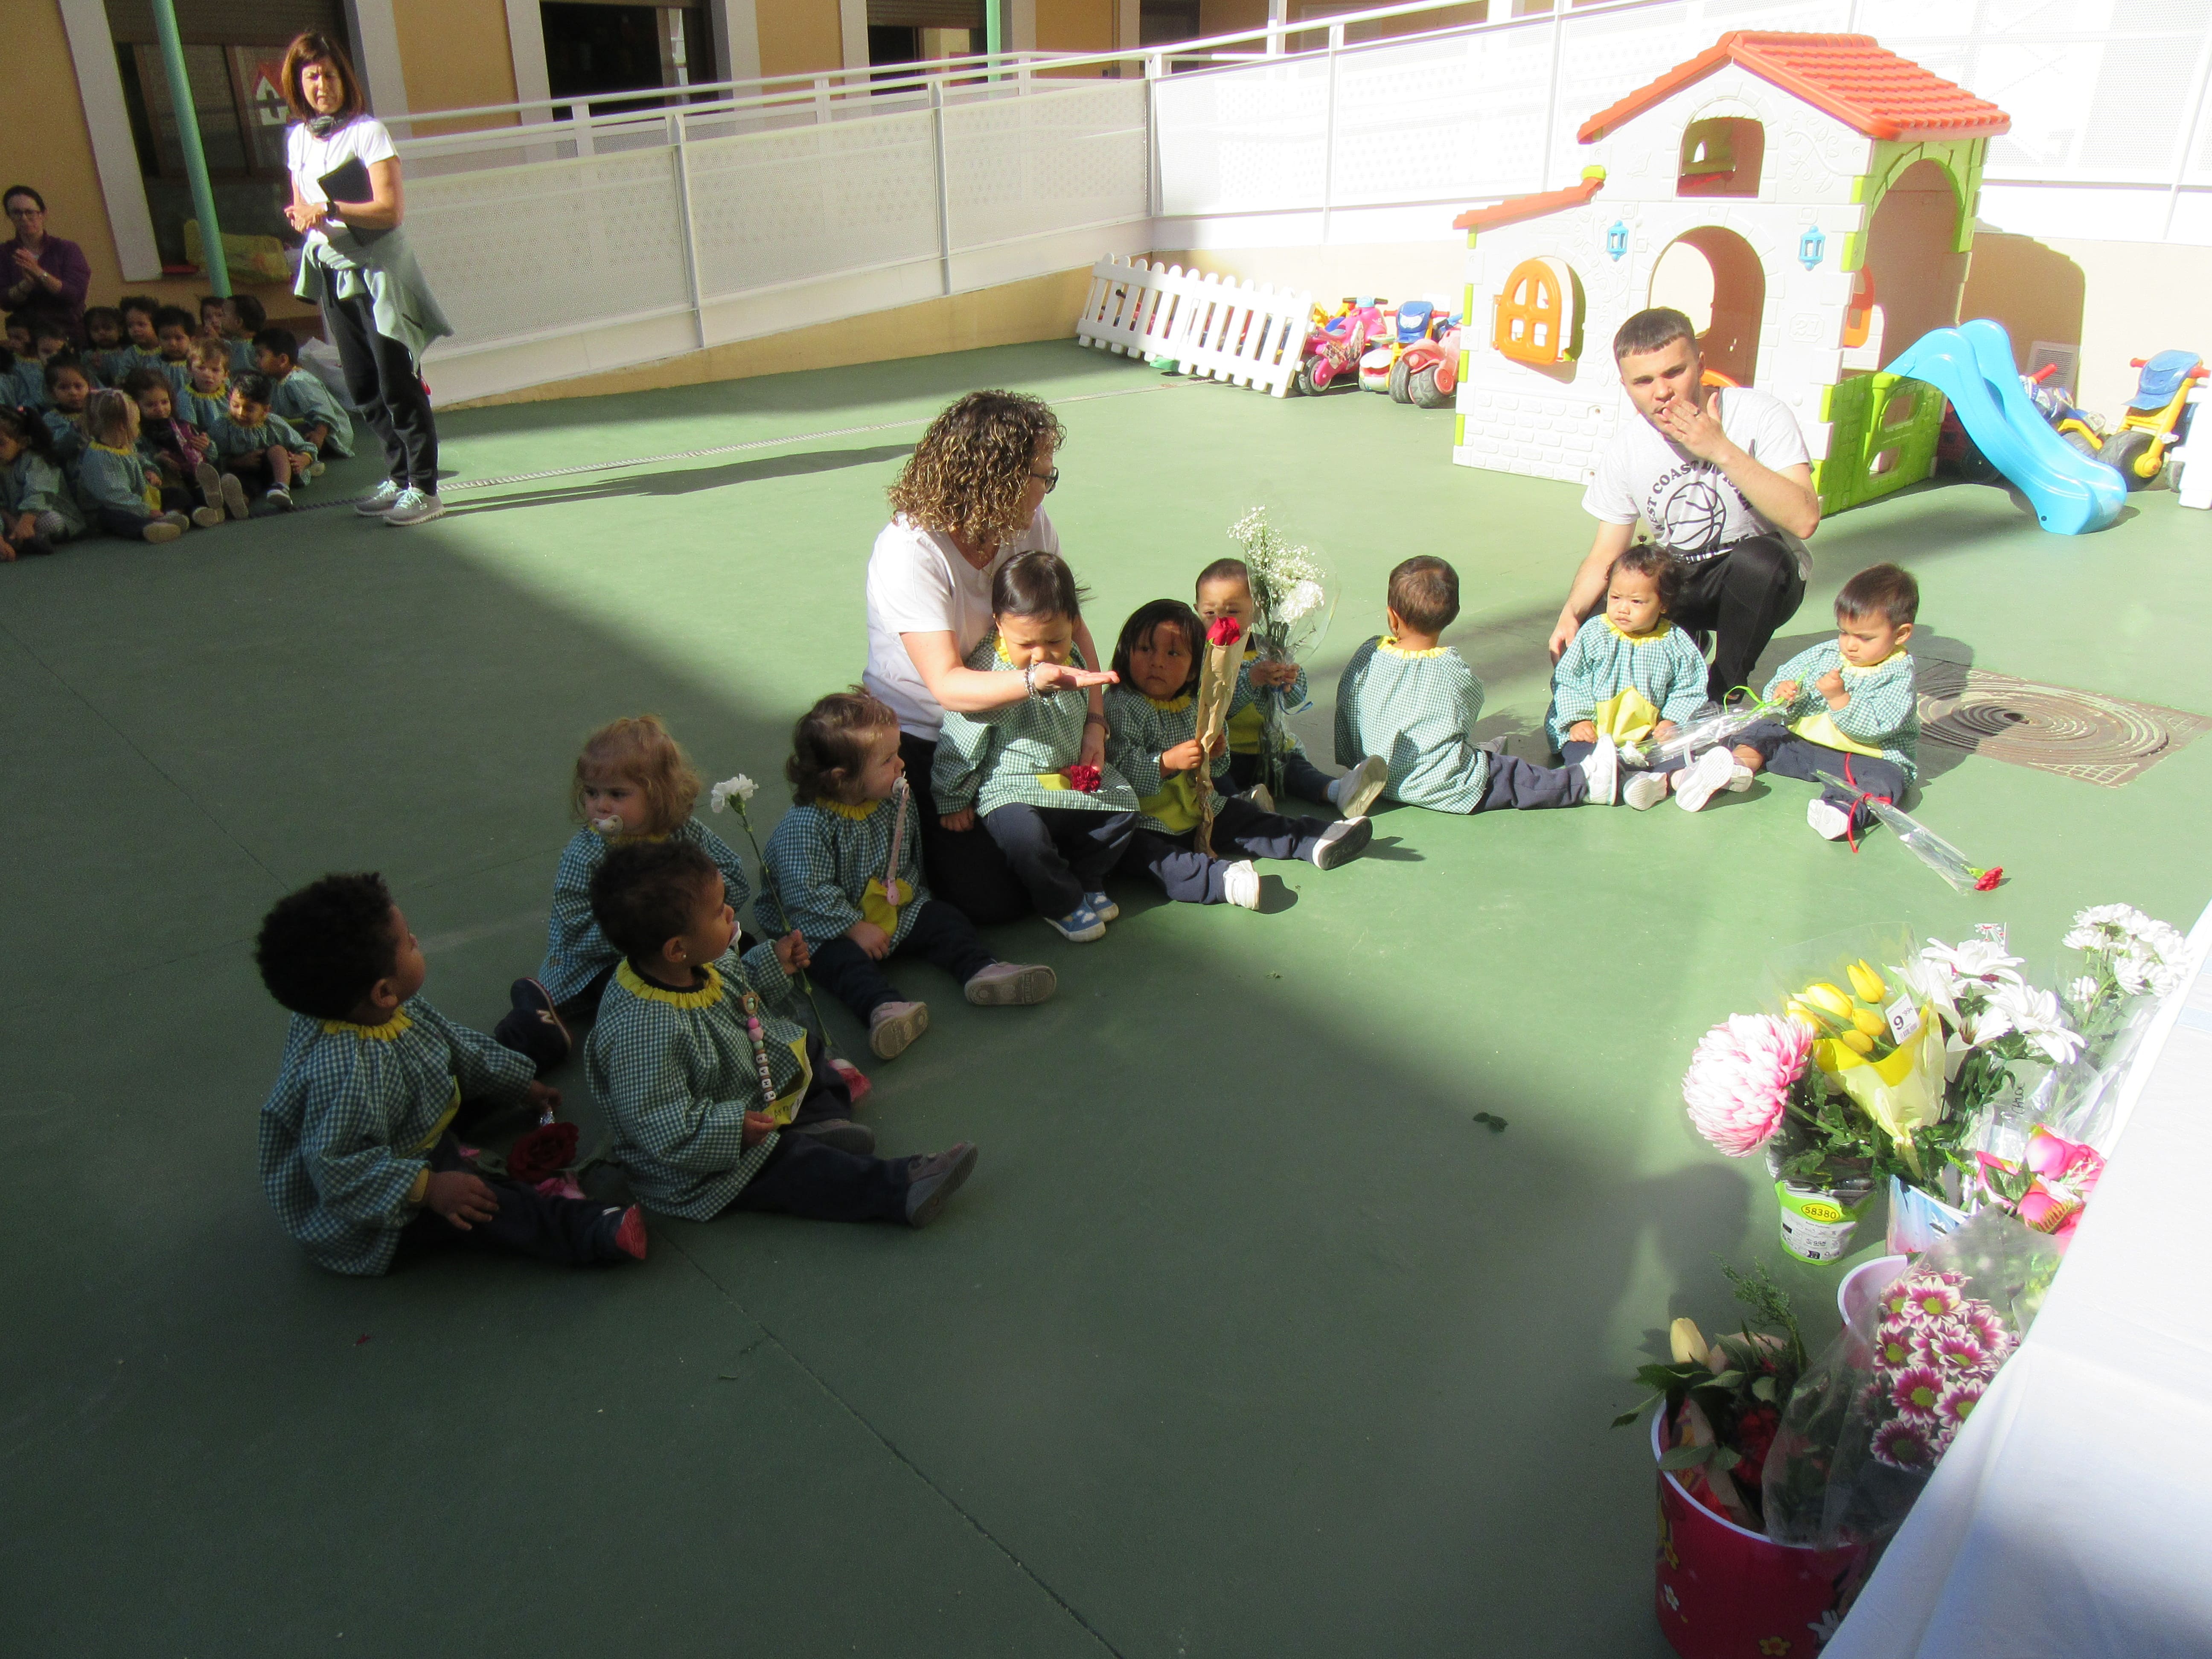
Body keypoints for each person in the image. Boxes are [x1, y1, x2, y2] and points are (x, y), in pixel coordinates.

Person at [253, 870, 649, 1275]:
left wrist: (518, 1085)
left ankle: (533, 1033)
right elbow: (338, 1173)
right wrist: (429, 1189)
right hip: (385, 1196)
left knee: (472, 1061)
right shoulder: (343, 1075)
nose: (416, 942)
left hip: (411, 1118)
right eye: (409, 942)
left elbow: (456, 1048)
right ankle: (590, 1230)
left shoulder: (373, 1006)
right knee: (486, 1206)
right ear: (383, 991)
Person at [585, 839, 980, 1229]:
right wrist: (731, 1130)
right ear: (676, 949)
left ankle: (814, 1125)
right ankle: (901, 1188)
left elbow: (736, 983)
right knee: (797, 1168)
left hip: (743, 1088)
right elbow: (659, 1122)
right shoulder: (641, 1030)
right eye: (718, 912)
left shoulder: (685, 964)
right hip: (701, 1161)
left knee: (805, 1050)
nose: (729, 912)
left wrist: (773, 963)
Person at [863, 390, 1117, 925]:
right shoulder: (912, 550)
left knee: (1099, 816)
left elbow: (1070, 623)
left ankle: (1055, 861)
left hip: (1024, 718)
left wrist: (1095, 721)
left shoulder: (1031, 523)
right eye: (1040, 474)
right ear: (994, 476)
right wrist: (1038, 680)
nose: (1047, 486)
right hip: (933, 735)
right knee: (989, 902)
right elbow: (949, 686)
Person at [763, 689, 1058, 1062]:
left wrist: (908, 901)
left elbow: (905, 856)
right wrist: (854, 928)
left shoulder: (889, 800)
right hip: (830, 925)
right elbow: (805, 894)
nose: (901, 765)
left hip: (890, 907)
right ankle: (883, 1009)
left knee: (943, 919)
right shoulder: (807, 826)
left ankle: (981, 969)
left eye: (897, 752)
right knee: (838, 963)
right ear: (842, 779)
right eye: (887, 760)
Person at [1554, 307, 1821, 704]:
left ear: (1700, 365)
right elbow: (1607, 553)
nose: (1661, 392)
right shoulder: (1627, 447)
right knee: (1611, 603)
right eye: (1643, 381)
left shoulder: (1759, 414)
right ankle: (1678, 645)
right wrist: (1572, 613)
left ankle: (1722, 690)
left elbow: (1804, 519)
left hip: (1759, 584)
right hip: (1680, 578)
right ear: (1626, 386)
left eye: (1674, 373)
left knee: (1761, 559)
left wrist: (1721, 450)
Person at [931, 551, 1162, 940]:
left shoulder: (1073, 658)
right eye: (1027, 644)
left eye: (1055, 639)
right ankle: (1062, 904)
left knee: (1124, 808)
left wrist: (1095, 728)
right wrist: (953, 799)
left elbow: (1090, 701)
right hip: (1011, 788)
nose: (1042, 656)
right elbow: (960, 740)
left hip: (1065, 778)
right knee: (1026, 839)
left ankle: (1089, 878)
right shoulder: (989, 672)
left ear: (1074, 624)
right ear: (999, 625)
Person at [508, 714, 757, 1067]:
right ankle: (537, 1008)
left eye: (617, 794)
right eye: (592, 793)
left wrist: (698, 914)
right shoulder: (587, 853)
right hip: (605, 961)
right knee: (640, 991)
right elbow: (575, 930)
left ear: (660, 795)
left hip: (679, 941)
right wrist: (645, 933)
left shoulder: (684, 831)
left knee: (744, 948)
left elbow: (732, 874)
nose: (601, 805)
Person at [280, 29, 451, 526]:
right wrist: (301, 216)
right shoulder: (298, 138)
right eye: (311, 76)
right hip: (333, 271)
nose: (321, 85)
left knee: (398, 379)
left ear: (344, 79)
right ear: (298, 83)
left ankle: (425, 488)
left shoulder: (368, 132)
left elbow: (390, 210)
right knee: (362, 384)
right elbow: (299, 200)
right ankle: (398, 478)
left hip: (379, 272)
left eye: (329, 74)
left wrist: (329, 206)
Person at [1105, 598, 1372, 902]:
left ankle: (1311, 840)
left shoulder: (1196, 704)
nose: (1157, 661)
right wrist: (1167, 763)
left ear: (1194, 671)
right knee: (1153, 859)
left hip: (1198, 810)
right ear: (1125, 652)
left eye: (1173, 653)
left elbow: (1217, 772)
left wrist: (1217, 753)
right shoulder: (1120, 704)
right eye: (1145, 649)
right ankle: (1222, 881)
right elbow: (1120, 769)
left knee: (1247, 819)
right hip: (1145, 821)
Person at [1338, 556, 1619, 814]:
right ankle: (1589, 784)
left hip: (1377, 780)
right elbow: (1464, 715)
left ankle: (1475, 754)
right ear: (1454, 613)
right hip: (1440, 786)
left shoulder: (1369, 652)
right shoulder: (1451, 668)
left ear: (1392, 616)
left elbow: (1347, 705)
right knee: (1518, 779)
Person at [1547, 543, 1746, 812]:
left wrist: (1671, 720)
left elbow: (1688, 687)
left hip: (1645, 736)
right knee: (1582, 754)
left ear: (1663, 604)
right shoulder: (1595, 633)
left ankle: (1677, 778)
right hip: (1592, 729)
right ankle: (1631, 780)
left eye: (1637, 602)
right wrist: (1578, 719)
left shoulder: (1675, 642)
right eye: (1615, 598)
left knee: (1669, 751)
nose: (1622, 609)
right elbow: (1570, 678)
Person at [1730, 563, 1921, 843]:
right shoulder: (1826, 654)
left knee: (1887, 780)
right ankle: (1737, 766)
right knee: (1763, 730)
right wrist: (1782, 694)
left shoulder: (1897, 673)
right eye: (1844, 632)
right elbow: (1785, 678)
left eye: (1865, 638)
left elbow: (1878, 726)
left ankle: (1842, 810)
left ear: (1901, 634)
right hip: (1806, 746)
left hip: (1863, 758)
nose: (1850, 645)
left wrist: (1839, 698)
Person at [1195, 558, 1390, 818]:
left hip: (1271, 750)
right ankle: (1243, 806)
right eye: (1210, 613)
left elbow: (1291, 703)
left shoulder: (1271, 647)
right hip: (1227, 754)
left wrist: (1289, 682)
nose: (1221, 621)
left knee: (1296, 770)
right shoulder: (1200, 655)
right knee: (1214, 777)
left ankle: (1338, 791)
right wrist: (1250, 680)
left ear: (1257, 611)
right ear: (1197, 610)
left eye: (1232, 612)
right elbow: (1213, 707)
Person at [76, 388, 212, 542]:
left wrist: (151, 470)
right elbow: (114, 496)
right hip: (113, 507)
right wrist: (146, 511)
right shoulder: (99, 457)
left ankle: (192, 514)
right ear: (121, 426)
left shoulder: (125, 445)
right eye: (136, 424)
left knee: (178, 495)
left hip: (140, 498)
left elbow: (142, 460)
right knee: (116, 517)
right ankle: (149, 528)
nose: (138, 428)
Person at [122, 367, 233, 521]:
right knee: (180, 498)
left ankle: (220, 507)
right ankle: (192, 514)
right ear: (136, 406)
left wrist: (207, 447)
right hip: (166, 483)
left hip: (194, 478)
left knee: (208, 489)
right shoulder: (138, 434)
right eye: (151, 405)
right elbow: (136, 461)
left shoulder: (181, 425)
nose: (160, 409)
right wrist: (157, 459)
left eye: (164, 402)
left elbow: (212, 456)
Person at [209, 372, 313, 512]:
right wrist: (237, 463)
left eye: (249, 409)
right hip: (245, 473)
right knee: (241, 486)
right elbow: (213, 457)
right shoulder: (222, 426)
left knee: (277, 450)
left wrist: (304, 459)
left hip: (275, 470)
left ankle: (282, 489)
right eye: (235, 405)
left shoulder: (274, 424)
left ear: (265, 410)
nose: (241, 413)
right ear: (229, 400)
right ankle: (237, 506)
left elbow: (304, 446)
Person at [1, 186, 92, 343]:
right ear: (9, 217)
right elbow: (4, 301)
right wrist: (25, 286)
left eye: (30, 212)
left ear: (43, 214)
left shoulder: (67, 249)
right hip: (27, 339)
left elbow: (74, 295)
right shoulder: (5, 253)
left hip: (67, 334)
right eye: (17, 213)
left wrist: (39, 273)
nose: (24, 218)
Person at [255, 324, 353, 464]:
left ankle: (307, 461)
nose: (256, 361)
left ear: (283, 360)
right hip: (305, 427)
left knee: (281, 447)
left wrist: (319, 435)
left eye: (261, 356)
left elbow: (322, 410)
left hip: (329, 435)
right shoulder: (276, 381)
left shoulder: (299, 382)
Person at [0, 406, 79, 558]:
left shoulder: (35, 460)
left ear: (23, 443)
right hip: (12, 516)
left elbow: (38, 493)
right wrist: (11, 522)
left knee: (49, 521)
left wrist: (26, 523)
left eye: (1, 443)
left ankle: (27, 538)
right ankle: (15, 540)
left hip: (39, 513)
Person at [41, 356, 92, 464]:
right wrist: (77, 428)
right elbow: (60, 450)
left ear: (89, 387)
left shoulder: (98, 411)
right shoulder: (51, 419)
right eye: (64, 388)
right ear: (53, 393)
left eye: (79, 386)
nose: (73, 393)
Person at [178, 336, 233, 430]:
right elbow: (190, 429)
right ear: (190, 369)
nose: (208, 375)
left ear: (225, 375)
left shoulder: (229, 391)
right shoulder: (186, 397)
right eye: (201, 368)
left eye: (215, 370)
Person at [149, 306, 197, 395]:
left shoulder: (198, 364)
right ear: (158, 339)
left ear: (192, 340)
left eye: (179, 338)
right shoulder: (154, 366)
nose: (172, 344)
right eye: (166, 338)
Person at [80, 306, 129, 385]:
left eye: (108, 328)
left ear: (120, 331)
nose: (101, 333)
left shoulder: (129, 353)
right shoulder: (89, 356)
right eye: (96, 330)